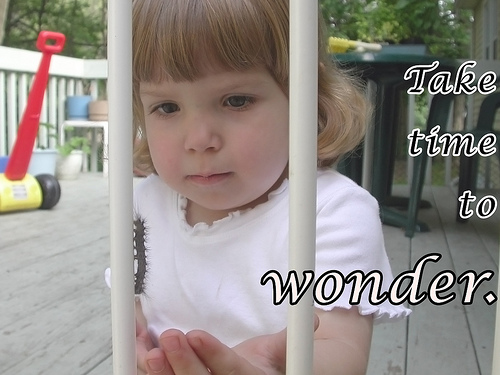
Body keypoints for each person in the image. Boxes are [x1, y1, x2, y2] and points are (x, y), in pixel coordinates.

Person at [127, 0, 412, 373]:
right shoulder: (144, 202)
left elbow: (342, 350)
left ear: (307, 98)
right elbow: (135, 309)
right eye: (166, 107)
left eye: (236, 100)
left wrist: (269, 367)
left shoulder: (333, 211)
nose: (198, 139)